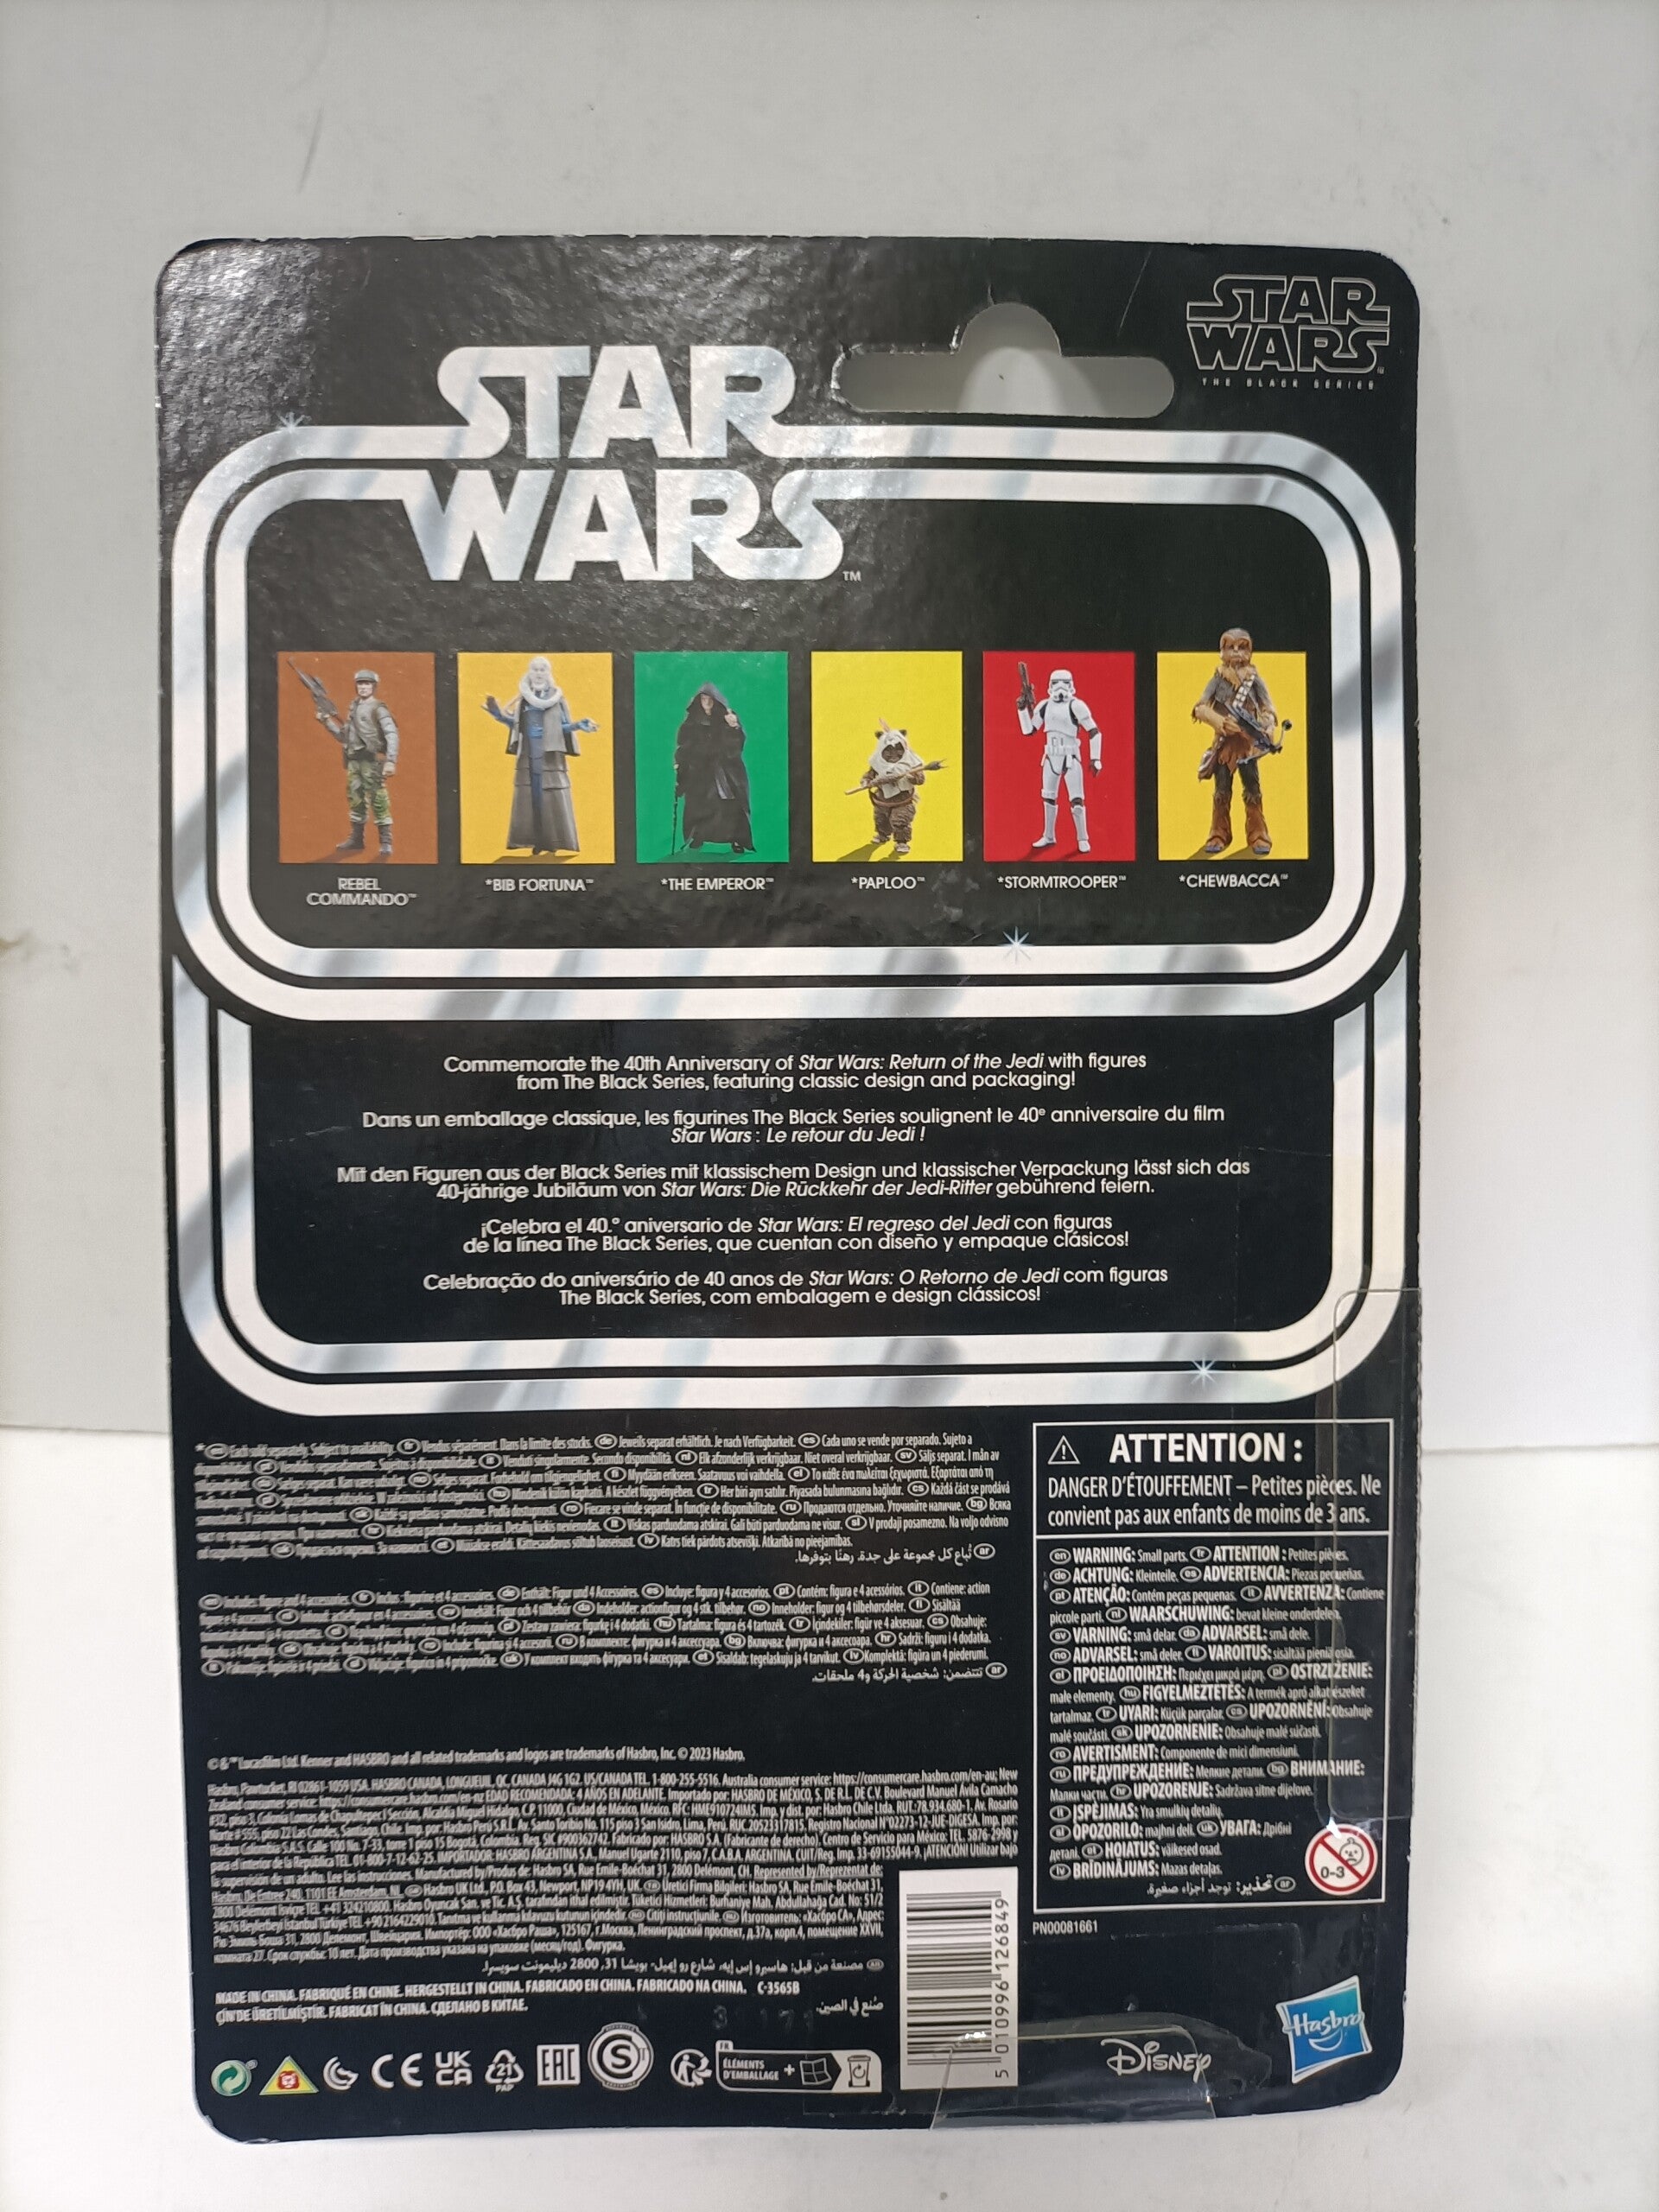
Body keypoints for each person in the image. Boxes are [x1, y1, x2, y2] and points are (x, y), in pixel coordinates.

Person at [483, 657, 596, 856]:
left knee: (551, 798)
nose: (538, 673)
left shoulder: (557, 699)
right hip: (529, 755)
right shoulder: (523, 700)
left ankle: (552, 843)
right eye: (535, 669)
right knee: (531, 799)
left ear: (548, 673)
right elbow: (517, 725)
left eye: (543, 669)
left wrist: (578, 725)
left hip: (550, 757)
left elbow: (561, 727)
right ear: (530, 672)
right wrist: (498, 715)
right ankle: (535, 842)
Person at [1192, 628, 1280, 856]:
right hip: (1224, 745)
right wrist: (1219, 722)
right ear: (1223, 651)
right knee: (1221, 790)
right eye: (1231, 647)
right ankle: (1219, 834)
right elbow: (1200, 708)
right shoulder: (1218, 679)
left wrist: (1268, 726)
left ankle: (1258, 835)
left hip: (1248, 745)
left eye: (1242, 647)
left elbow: (1268, 708)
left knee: (1252, 790)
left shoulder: (1254, 680)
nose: (1237, 652)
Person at [1017, 664, 1102, 853]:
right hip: (1050, 757)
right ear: (1050, 685)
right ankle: (1048, 835)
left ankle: (1082, 838)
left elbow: (1094, 731)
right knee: (1048, 797)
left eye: (1065, 683)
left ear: (1071, 685)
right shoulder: (1045, 706)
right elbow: (1029, 730)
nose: (1060, 687)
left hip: (1070, 757)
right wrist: (1022, 709)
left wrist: (1095, 758)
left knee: (1077, 800)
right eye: (1056, 683)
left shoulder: (1076, 705)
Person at [317, 668, 398, 857]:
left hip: (372, 761)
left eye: (367, 684)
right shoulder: (353, 708)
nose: (363, 687)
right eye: (360, 684)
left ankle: (386, 842)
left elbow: (392, 734)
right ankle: (356, 839)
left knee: (378, 799)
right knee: (355, 799)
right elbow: (343, 737)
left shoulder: (379, 709)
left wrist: (391, 760)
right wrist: (326, 721)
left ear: (373, 686)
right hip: (354, 761)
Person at [674, 682, 753, 853]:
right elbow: (684, 746)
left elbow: (736, 748)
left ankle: (736, 840)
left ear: (716, 701)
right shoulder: (692, 721)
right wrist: (680, 762)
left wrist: (734, 727)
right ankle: (698, 836)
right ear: (699, 701)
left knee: (730, 805)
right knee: (699, 803)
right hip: (700, 771)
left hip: (724, 770)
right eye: (704, 699)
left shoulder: (727, 718)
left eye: (710, 699)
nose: (707, 703)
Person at [857, 722, 934, 859]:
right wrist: (866, 782)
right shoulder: (877, 763)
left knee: (900, 821)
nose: (893, 754)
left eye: (898, 749)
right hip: (882, 801)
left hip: (903, 801)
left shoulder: (911, 762)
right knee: (881, 819)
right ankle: (883, 835)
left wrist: (911, 777)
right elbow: (869, 776)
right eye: (888, 750)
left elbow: (920, 779)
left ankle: (901, 842)